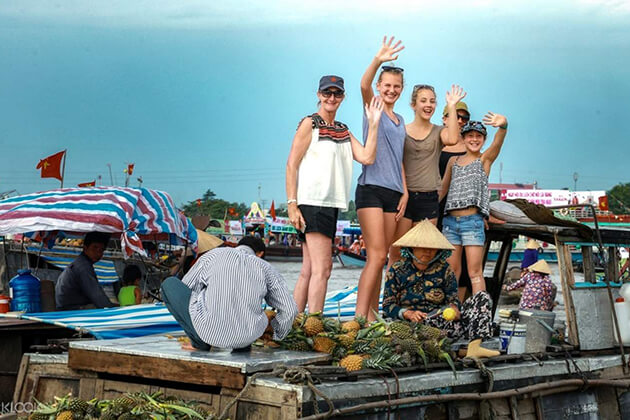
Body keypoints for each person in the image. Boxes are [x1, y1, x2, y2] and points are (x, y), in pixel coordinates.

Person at [287, 75, 384, 314]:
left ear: (342, 97)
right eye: (327, 93)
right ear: (319, 95)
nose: (332, 98)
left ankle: (293, 324)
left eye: (337, 94)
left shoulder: (342, 130)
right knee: (324, 269)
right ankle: (315, 324)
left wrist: (373, 124)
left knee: (309, 270)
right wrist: (292, 204)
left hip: (331, 203)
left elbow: (367, 157)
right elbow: (292, 164)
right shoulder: (310, 124)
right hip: (313, 201)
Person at [383, 220, 499, 358]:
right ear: (412, 247)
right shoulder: (396, 270)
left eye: (432, 248)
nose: (428, 252)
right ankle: (458, 352)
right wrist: (407, 313)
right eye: (423, 247)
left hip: (442, 323)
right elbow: (387, 306)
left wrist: (454, 309)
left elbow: (453, 300)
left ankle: (475, 346)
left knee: (482, 297)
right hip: (413, 327)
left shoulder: (445, 270)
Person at [160, 236, 297, 351]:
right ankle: (241, 345)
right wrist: (278, 335)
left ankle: (199, 343)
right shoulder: (266, 267)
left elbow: (187, 288)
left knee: (169, 283)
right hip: (248, 338)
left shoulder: (214, 255)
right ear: (259, 253)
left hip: (208, 331)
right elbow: (290, 310)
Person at [355, 36, 407, 321]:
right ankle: (359, 319)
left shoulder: (399, 120)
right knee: (375, 257)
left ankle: (373, 316)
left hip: (393, 193)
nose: (391, 90)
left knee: (384, 258)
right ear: (379, 87)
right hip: (371, 189)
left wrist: (405, 192)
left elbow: (399, 159)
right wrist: (378, 60)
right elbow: (363, 85)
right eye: (386, 85)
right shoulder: (372, 110)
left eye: (396, 86)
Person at [386, 84, 465, 270]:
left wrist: (452, 106)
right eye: (423, 101)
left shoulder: (438, 131)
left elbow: (453, 138)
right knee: (396, 254)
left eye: (432, 101)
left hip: (429, 199)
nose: (428, 105)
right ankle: (391, 298)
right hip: (403, 198)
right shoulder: (402, 131)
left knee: (423, 257)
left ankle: (417, 298)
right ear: (414, 105)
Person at [440, 114, 508, 299]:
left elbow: (497, 145)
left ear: (484, 140)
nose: (474, 139)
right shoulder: (453, 162)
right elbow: (442, 191)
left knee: (474, 272)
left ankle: (480, 316)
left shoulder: (484, 160)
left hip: (473, 222)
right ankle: (452, 311)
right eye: (470, 136)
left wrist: (503, 126)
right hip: (450, 222)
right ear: (463, 138)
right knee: (451, 271)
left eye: (478, 136)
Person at [55, 232, 116, 310]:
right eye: (95, 248)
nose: (98, 253)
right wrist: (112, 310)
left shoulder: (81, 263)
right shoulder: (83, 267)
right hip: (70, 310)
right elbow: (98, 297)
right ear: (85, 248)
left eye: (101, 250)